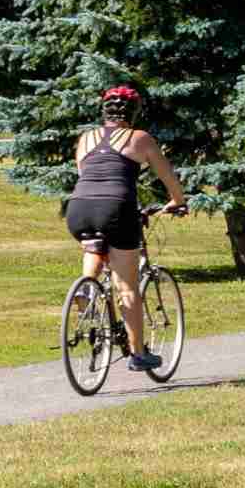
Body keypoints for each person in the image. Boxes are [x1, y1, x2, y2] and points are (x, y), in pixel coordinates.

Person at [67, 85, 188, 373]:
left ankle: (85, 293)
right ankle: (137, 354)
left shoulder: (86, 138)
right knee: (127, 287)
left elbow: (88, 175)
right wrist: (177, 201)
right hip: (116, 209)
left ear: (104, 111)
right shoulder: (140, 138)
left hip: (79, 209)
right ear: (133, 112)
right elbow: (167, 175)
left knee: (95, 248)